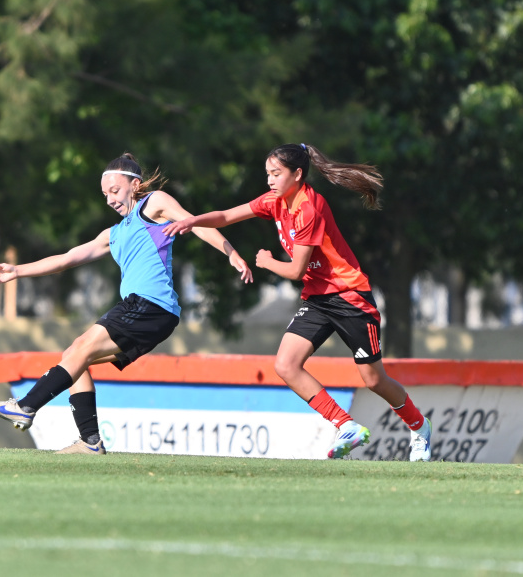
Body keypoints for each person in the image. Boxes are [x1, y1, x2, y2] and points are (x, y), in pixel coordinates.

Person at [162, 143, 432, 461]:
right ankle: (346, 425)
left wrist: (265, 261)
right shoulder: (274, 201)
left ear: (298, 174)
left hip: (350, 297)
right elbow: (226, 215)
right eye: (268, 174)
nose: (270, 181)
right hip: (318, 298)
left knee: (373, 379)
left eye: (276, 174)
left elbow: (295, 270)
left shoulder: (309, 208)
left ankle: (419, 426)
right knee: (286, 365)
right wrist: (192, 222)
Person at [0, 153, 252, 454]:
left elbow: (196, 223)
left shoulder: (153, 204)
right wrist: (18, 271)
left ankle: (26, 406)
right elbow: (67, 258)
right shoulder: (114, 233)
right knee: (75, 358)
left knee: (80, 348)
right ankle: (90, 441)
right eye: (104, 194)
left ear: (135, 185)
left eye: (115, 190)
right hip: (148, 313)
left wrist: (230, 252)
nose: (109, 199)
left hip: (150, 305)